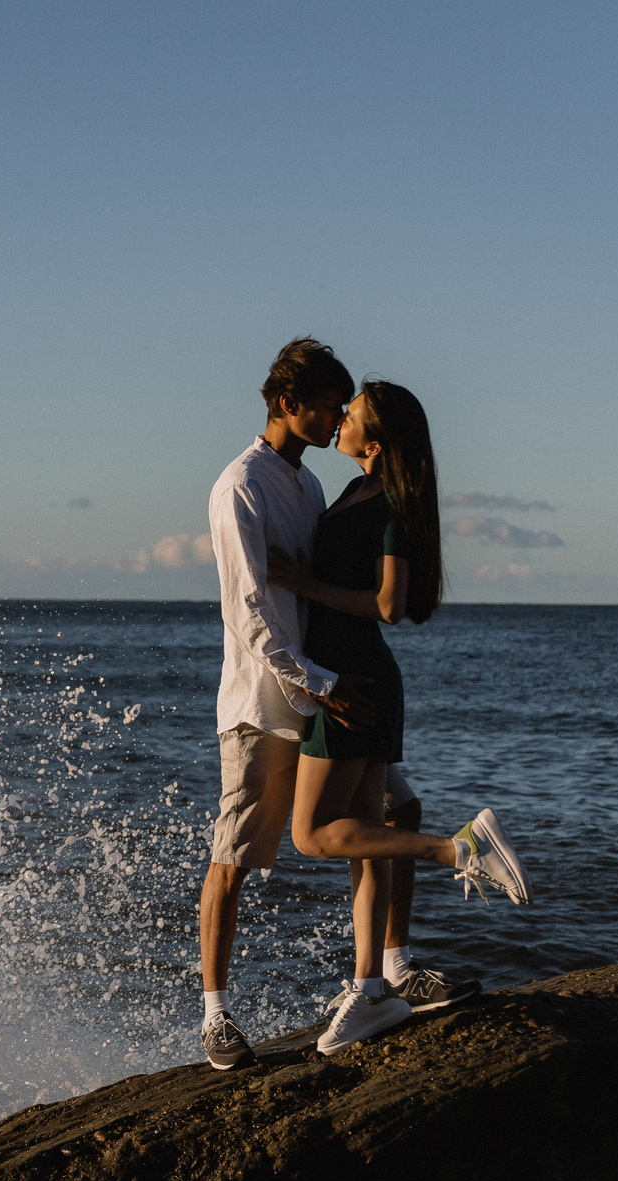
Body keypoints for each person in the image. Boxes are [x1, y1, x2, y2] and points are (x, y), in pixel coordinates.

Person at [271, 379, 529, 1056]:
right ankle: (373, 987)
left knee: (312, 834)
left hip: (352, 681)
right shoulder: (357, 492)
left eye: (351, 413)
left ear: (376, 444)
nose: (342, 416)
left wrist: (304, 585)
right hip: (350, 675)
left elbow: (389, 604)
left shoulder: (387, 505)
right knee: (363, 842)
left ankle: (459, 848)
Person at [197, 337, 378, 1071]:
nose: (337, 417)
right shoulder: (240, 484)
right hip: (263, 706)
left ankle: (381, 973)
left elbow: (304, 588)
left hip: (318, 696)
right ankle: (214, 1015)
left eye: (342, 405)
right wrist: (320, 683)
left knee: (381, 813)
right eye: (328, 404)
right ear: (285, 405)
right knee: (234, 858)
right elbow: (249, 609)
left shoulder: (304, 486)